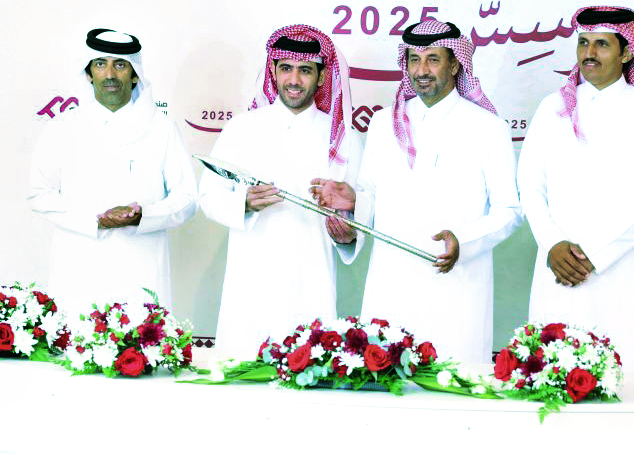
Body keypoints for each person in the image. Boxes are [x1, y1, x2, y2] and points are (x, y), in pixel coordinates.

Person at [312, 19, 521, 363]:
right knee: (386, 377)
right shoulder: (383, 123)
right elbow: (370, 194)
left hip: (456, 284)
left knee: (454, 380)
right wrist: (353, 207)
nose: (421, 70)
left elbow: (509, 211)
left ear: (455, 64)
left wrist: (464, 241)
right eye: (414, 60)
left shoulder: (488, 127)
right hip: (391, 284)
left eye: (433, 59)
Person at [517, 6, 634, 371]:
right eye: (583, 43)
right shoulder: (552, 107)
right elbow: (529, 183)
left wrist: (596, 254)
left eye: (602, 44)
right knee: (552, 376)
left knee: (626, 378)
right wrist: (552, 243)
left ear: (626, 53)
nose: (589, 53)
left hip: (623, 271)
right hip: (558, 268)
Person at [198, 24, 362, 359]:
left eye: (305, 70)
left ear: (321, 76)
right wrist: (243, 202)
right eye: (286, 68)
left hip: (311, 283)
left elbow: (357, 214)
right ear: (273, 71)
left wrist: (347, 234)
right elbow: (207, 197)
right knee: (244, 368)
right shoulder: (242, 128)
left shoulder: (343, 138)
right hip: (250, 284)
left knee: (310, 370)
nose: (294, 80)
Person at [29, 28, 197, 317]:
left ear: (135, 75)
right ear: (88, 74)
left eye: (120, 65)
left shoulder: (162, 129)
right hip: (78, 268)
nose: (109, 74)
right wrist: (94, 220)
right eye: (100, 64)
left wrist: (145, 216)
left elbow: (187, 199)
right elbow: (39, 194)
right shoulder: (62, 127)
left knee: (143, 341)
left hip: (142, 269)